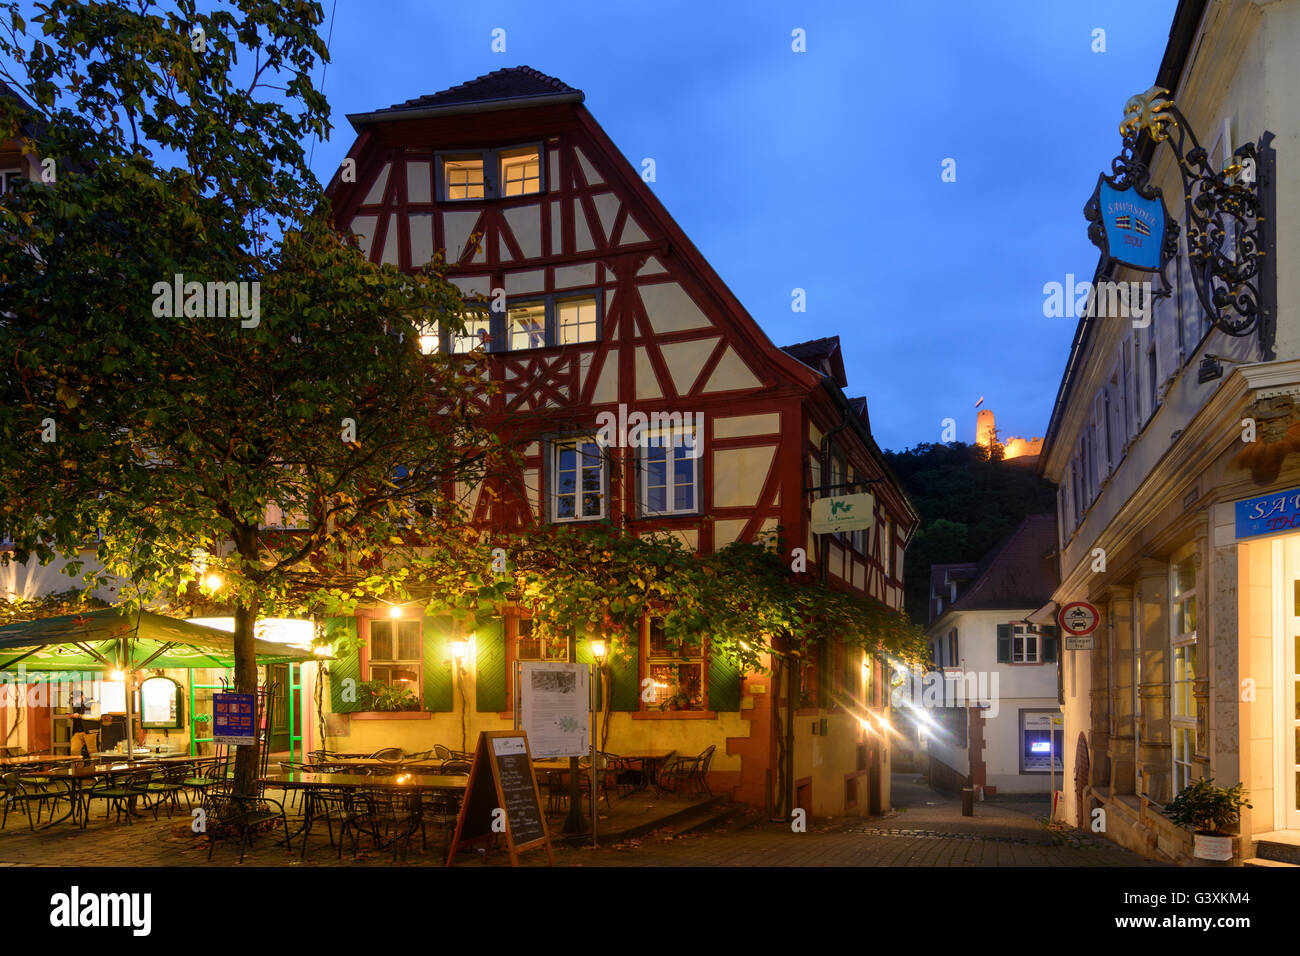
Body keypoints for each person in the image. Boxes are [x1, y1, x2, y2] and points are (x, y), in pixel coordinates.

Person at [69, 690, 96, 759]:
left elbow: (97, 717)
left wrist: (80, 716)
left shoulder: (91, 703)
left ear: (82, 696)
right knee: (74, 751)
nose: (74, 700)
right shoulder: (76, 704)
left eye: (75, 698)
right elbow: (78, 715)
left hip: (89, 731)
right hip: (77, 731)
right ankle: (79, 768)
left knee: (93, 752)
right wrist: (72, 716)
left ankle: (95, 768)